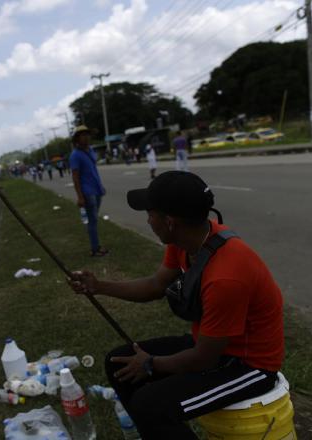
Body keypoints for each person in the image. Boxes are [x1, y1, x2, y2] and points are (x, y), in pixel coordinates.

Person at [69, 171, 284, 439]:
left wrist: (151, 364)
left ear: (169, 222)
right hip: (211, 345)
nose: (147, 219)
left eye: (150, 213)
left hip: (248, 365)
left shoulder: (226, 276)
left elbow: (204, 358)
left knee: (150, 406)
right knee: (117, 363)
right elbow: (156, 286)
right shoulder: (187, 240)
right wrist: (98, 286)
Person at [69, 125, 108, 257]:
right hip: (87, 192)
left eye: (87, 134)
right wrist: (80, 196)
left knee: (94, 219)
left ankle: (96, 246)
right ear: (77, 138)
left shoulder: (90, 150)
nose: (86, 137)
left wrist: (100, 186)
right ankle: (95, 249)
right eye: (82, 135)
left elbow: (93, 171)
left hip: (96, 190)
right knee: (92, 220)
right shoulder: (75, 155)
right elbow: (75, 177)